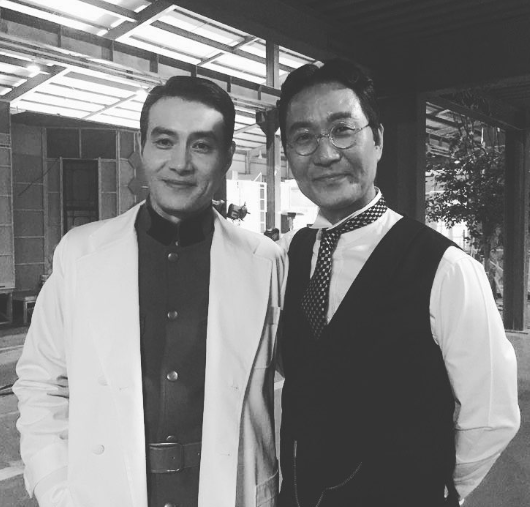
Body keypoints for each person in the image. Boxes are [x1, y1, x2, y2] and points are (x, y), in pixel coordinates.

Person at [14, 76, 286, 507]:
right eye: (164, 141)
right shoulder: (80, 253)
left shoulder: (265, 262)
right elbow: (42, 381)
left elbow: (300, 381)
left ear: (227, 156)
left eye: (202, 145)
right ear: (141, 148)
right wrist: (54, 486)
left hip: (230, 491)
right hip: (103, 492)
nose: (180, 163)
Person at [276, 59, 520, 507]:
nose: (325, 155)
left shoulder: (446, 269)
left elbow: (490, 417)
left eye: (342, 130)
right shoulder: (289, 257)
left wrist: (433, 490)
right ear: (288, 153)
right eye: (304, 137)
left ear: (379, 140)